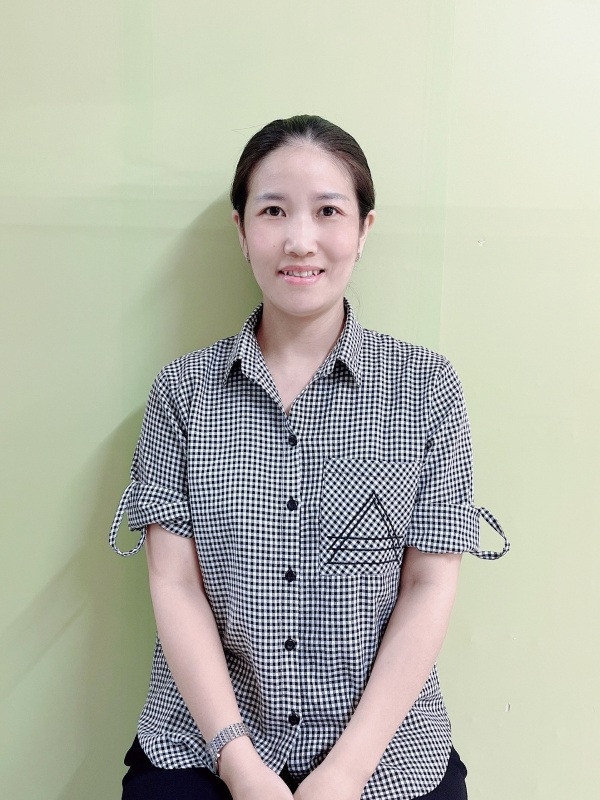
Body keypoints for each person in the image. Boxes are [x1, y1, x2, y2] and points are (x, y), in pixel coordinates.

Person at [109, 115, 509, 800]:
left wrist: (347, 772)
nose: (300, 240)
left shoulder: (426, 388)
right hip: (206, 742)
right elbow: (174, 584)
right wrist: (238, 764)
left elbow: (428, 585)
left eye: (328, 211)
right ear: (241, 231)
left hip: (386, 751)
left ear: (363, 229)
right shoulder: (182, 391)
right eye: (273, 211)